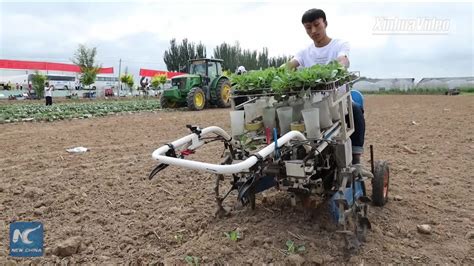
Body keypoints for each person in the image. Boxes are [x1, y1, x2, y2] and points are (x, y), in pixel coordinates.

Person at [287, 8, 371, 175]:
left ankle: (356, 160)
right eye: (308, 28)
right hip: (313, 103)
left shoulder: (339, 45)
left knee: (355, 110)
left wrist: (337, 67)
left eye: (317, 25)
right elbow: (292, 64)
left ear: (325, 23)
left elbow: (343, 59)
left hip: (339, 100)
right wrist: (281, 71)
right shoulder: (304, 52)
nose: (314, 31)